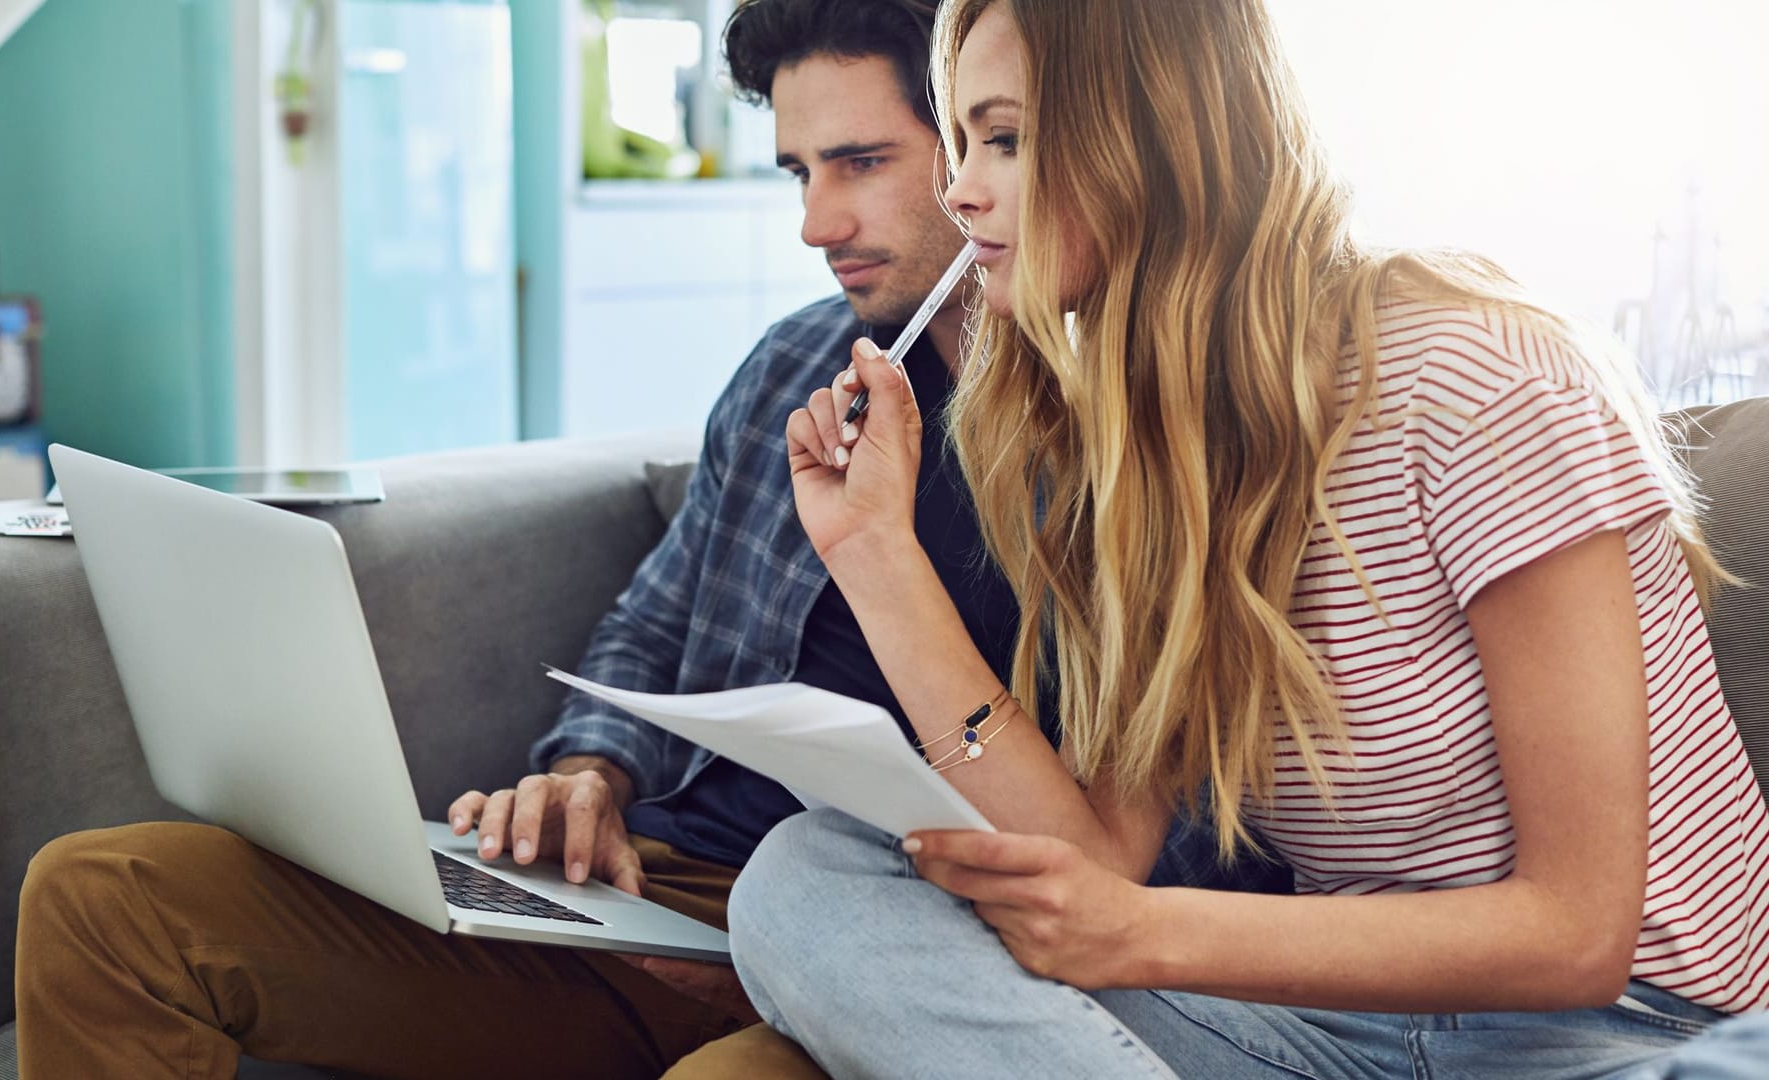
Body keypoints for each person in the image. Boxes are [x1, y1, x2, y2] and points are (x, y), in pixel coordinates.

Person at [11, 3, 1282, 1077]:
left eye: (860, 162)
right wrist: (591, 781)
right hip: (658, 893)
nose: (817, 223)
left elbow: (1150, 846)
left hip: (912, 934)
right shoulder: (797, 366)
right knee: (103, 897)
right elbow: (654, 620)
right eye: (798, 173)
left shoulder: (1147, 436)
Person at [727, 0, 1769, 1076]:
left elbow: (1577, 934)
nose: (962, 190)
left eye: (1008, 139)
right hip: (1339, 1042)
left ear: (1158, 133)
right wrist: (874, 553)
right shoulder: (1152, 458)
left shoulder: (1473, 376)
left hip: (1623, 1036)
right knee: (810, 874)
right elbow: (1085, 860)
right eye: (962, 142)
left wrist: (1139, 937)